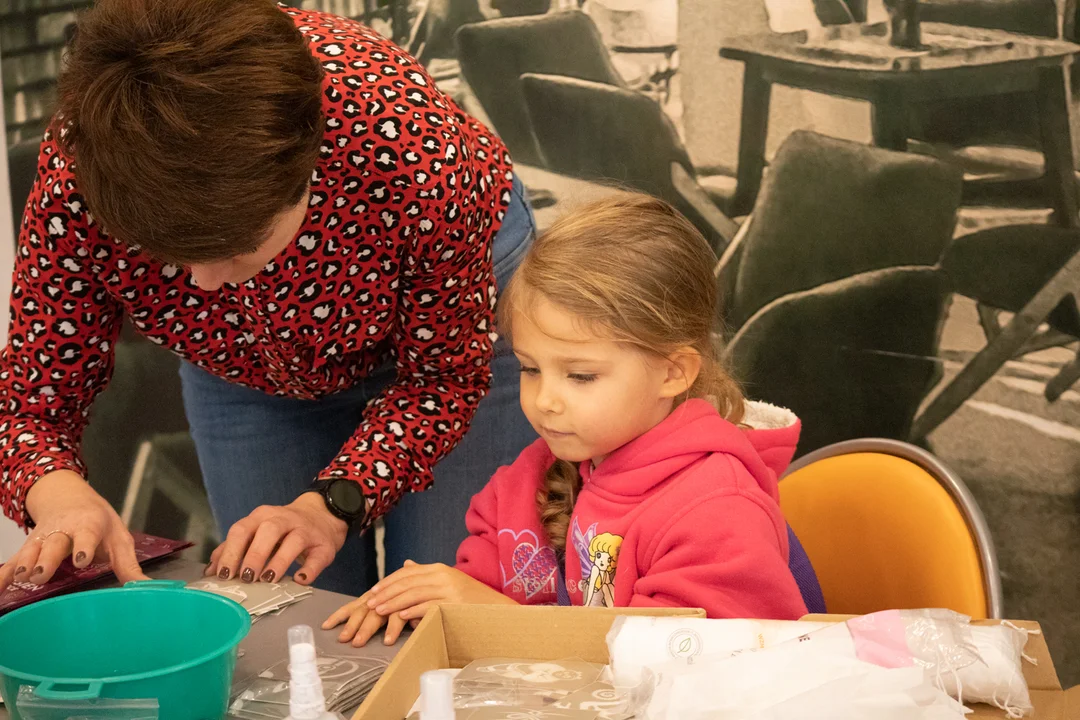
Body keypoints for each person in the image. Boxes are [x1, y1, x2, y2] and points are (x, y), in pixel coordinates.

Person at [0, 0, 538, 596]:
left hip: (447, 350)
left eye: (240, 249)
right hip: (249, 378)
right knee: (287, 608)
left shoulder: (418, 155)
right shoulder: (82, 170)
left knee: (441, 600)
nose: (202, 285)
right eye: (167, 256)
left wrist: (332, 504)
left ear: (307, 173)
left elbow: (443, 379)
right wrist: (58, 495)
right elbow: (33, 396)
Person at [324, 195, 813, 647]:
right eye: (531, 369)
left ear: (673, 372)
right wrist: (425, 604)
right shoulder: (533, 473)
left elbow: (688, 668)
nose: (546, 401)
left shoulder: (715, 509)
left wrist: (488, 613)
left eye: (580, 376)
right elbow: (483, 590)